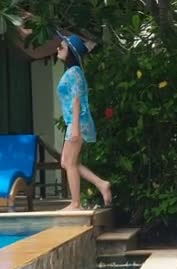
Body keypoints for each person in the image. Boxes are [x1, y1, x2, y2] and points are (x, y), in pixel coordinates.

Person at [56, 33, 112, 210]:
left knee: (70, 163)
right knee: (66, 162)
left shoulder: (74, 73)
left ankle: (76, 203)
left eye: (62, 47)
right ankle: (101, 184)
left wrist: (75, 129)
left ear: (70, 53)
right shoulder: (73, 72)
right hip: (74, 121)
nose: (58, 49)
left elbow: (76, 101)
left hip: (77, 121)